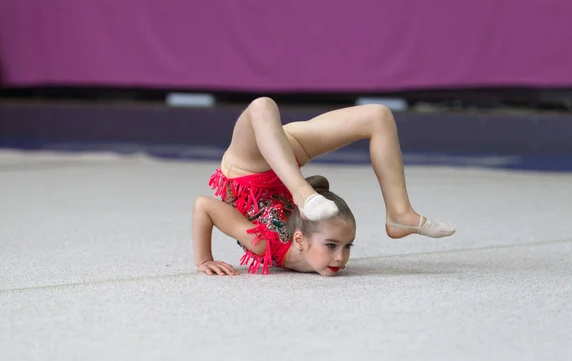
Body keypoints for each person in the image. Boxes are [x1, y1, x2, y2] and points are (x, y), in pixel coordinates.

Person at [192, 97, 455, 276]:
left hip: (246, 170)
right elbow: (203, 206)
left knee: (263, 106)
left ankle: (398, 214)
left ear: (299, 240)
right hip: (284, 161)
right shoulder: (288, 243)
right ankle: (304, 192)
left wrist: (204, 259)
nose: (340, 258)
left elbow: (204, 205)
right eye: (333, 245)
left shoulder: (264, 243)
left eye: (345, 246)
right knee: (377, 115)